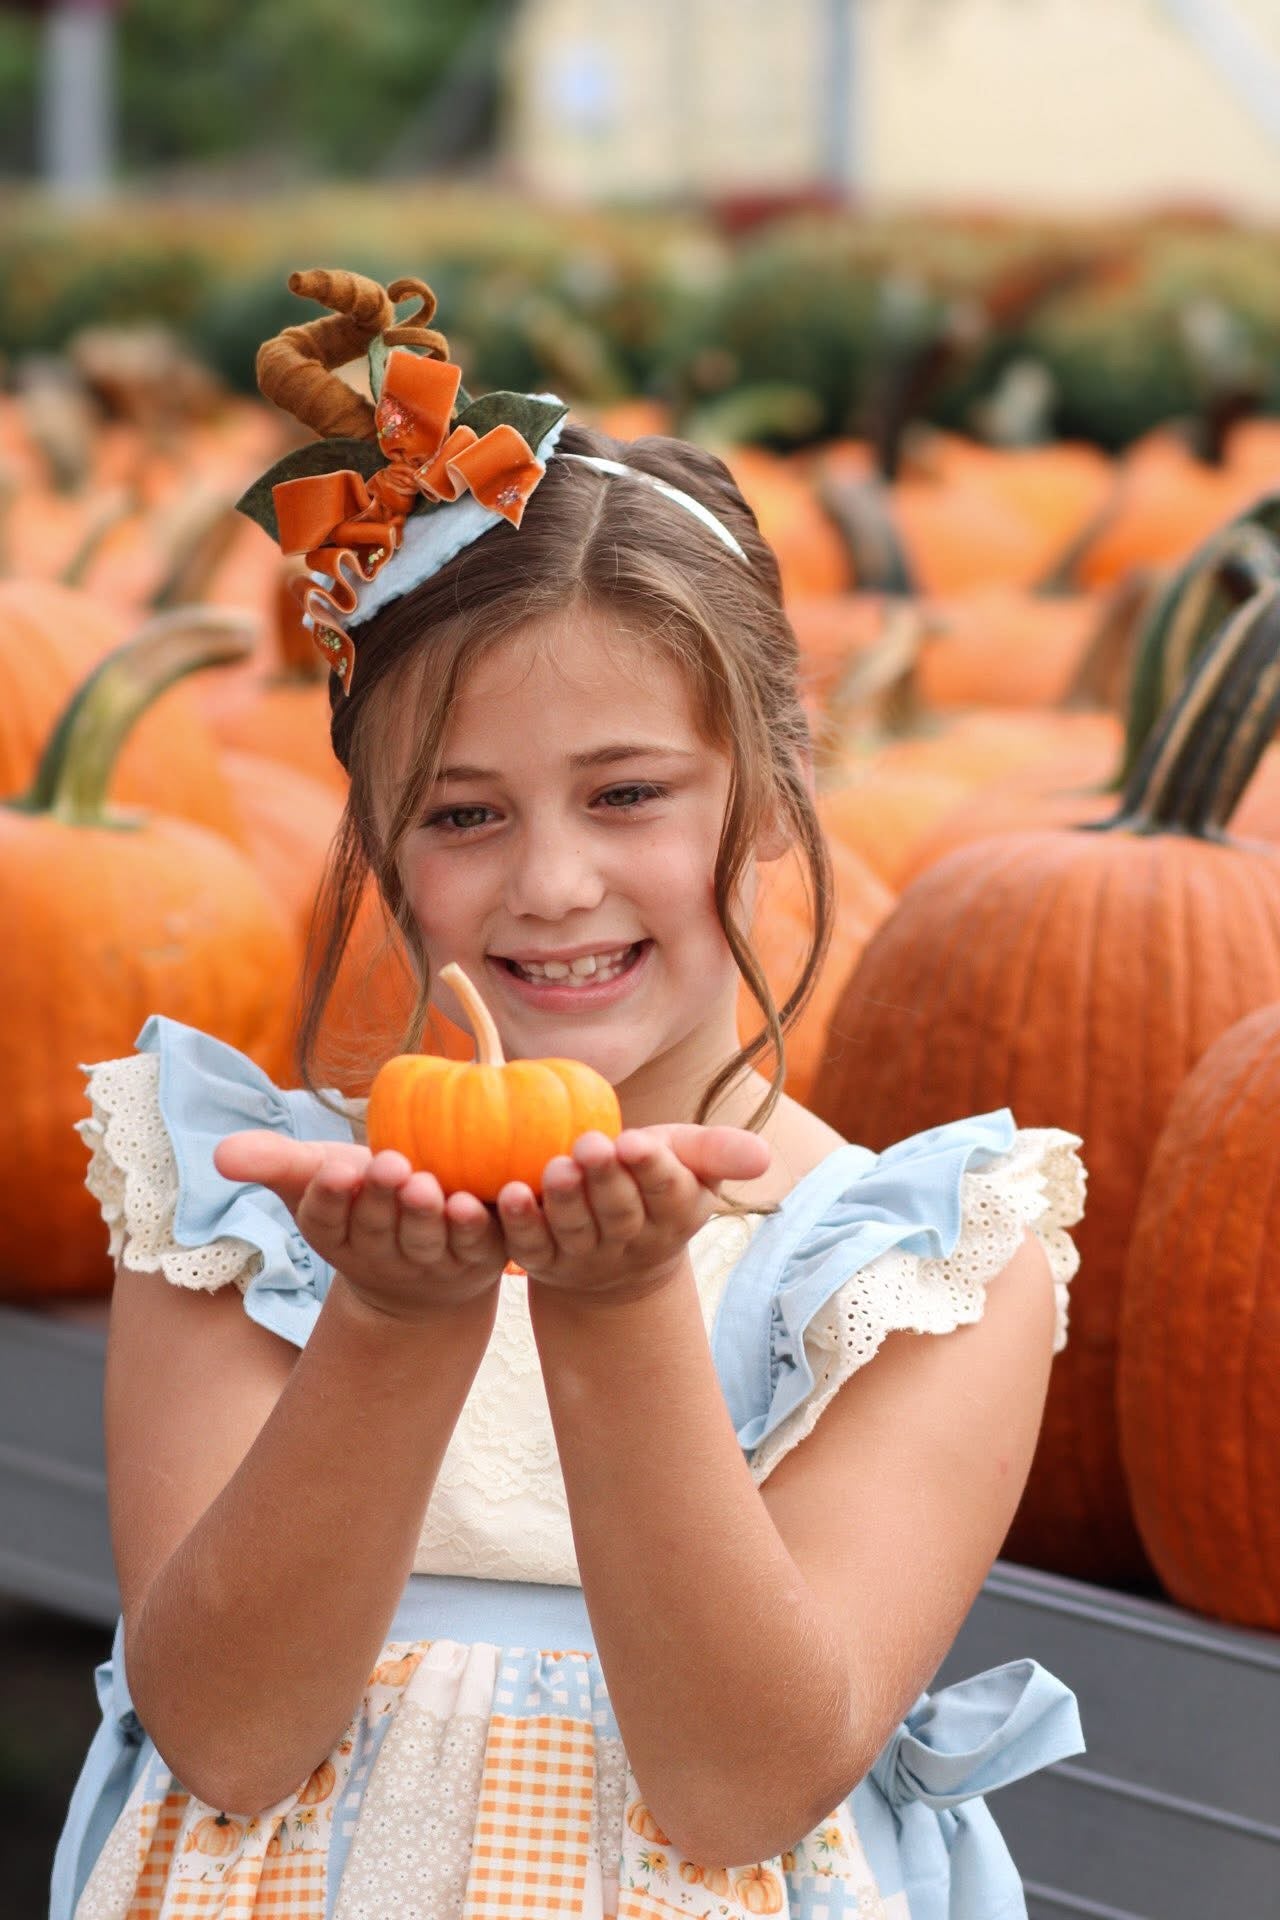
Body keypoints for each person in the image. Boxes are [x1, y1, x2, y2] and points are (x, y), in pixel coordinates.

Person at [51, 268, 1087, 1920]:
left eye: (626, 795)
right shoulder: (251, 1215)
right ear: (377, 847)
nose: (550, 882)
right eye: (462, 815)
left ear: (765, 795)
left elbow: (739, 1778)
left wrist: (618, 1314)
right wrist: (389, 1330)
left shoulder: (911, 1269)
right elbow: (228, 1738)